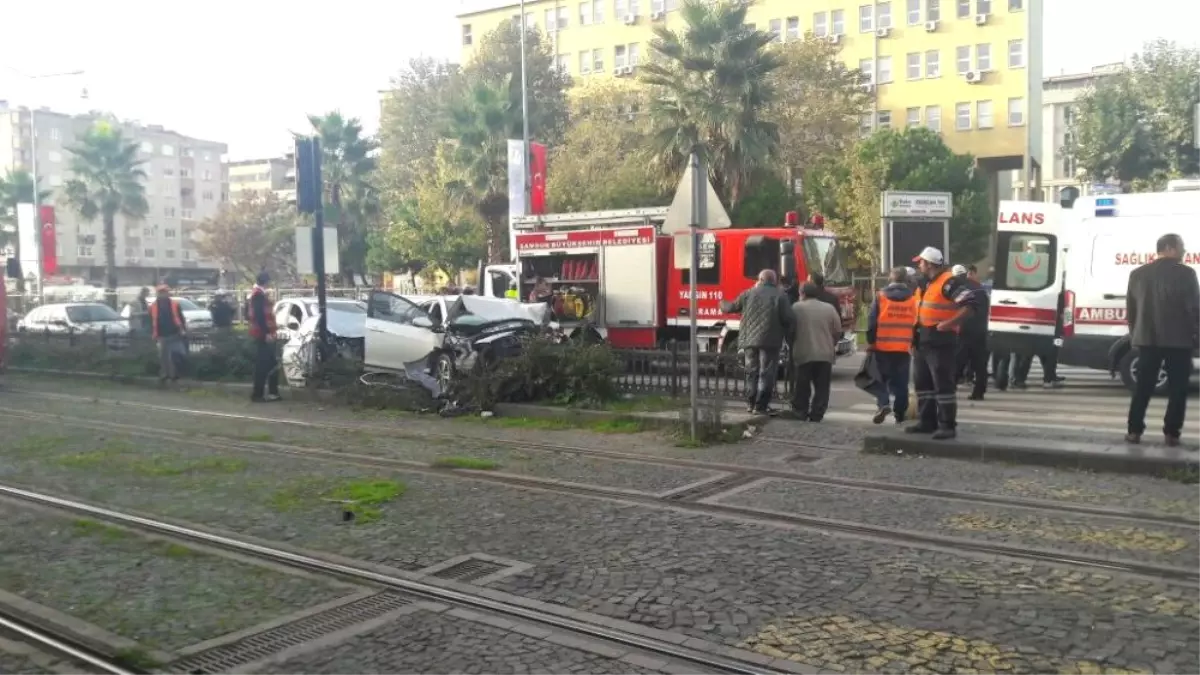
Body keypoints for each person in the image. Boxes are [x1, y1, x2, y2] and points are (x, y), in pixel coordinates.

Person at [1124, 233, 1200, 446]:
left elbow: (1131, 310)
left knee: (1143, 387)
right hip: (1179, 340)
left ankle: (1134, 430)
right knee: (1178, 389)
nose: (1184, 251)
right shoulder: (1186, 274)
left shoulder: (1137, 274)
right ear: (1169, 248)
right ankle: (1171, 433)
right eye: (1181, 247)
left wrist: (1135, 334)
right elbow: (1194, 308)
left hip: (1147, 339)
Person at [909, 247, 983, 440]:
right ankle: (927, 422)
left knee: (943, 385)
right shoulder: (925, 283)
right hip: (922, 339)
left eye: (921, 262)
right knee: (923, 384)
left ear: (930, 264)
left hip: (940, 340)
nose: (918, 265)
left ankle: (947, 425)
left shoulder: (948, 282)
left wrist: (950, 323)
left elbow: (970, 304)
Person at [720, 269, 793, 415]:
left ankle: (750, 403)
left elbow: (731, 307)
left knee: (751, 372)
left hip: (749, 341)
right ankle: (760, 406)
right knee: (766, 373)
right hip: (770, 342)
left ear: (759, 280)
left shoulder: (748, 294)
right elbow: (787, 319)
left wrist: (721, 303)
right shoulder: (781, 295)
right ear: (774, 281)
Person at [865, 267, 916, 424]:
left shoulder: (881, 296)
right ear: (906, 280)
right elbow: (917, 322)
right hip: (903, 347)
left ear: (890, 279)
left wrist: (871, 341)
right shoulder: (913, 298)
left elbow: (872, 321)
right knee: (901, 383)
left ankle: (883, 403)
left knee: (879, 379)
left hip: (883, 346)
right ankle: (900, 414)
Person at [789, 283, 842, 421]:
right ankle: (817, 413)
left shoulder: (796, 307)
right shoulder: (829, 308)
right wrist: (832, 342)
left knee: (802, 385)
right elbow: (838, 331)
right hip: (825, 353)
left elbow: (790, 329)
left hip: (803, 352)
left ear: (803, 294)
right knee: (822, 387)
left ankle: (801, 411)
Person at [957, 264, 990, 400]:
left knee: (957, 361)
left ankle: (948, 389)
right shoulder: (981, 290)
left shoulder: (959, 289)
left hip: (964, 329)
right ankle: (979, 391)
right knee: (980, 363)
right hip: (980, 329)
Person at [247, 272, 281, 403]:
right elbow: (260, 316)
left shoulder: (257, 294)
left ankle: (272, 392)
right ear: (266, 282)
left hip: (264, 334)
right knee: (263, 365)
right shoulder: (258, 295)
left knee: (271, 364)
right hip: (263, 335)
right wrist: (266, 333)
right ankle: (258, 394)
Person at [148, 284, 187, 383]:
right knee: (164, 356)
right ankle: (166, 375)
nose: (163, 294)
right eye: (161, 292)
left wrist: (183, 330)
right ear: (158, 293)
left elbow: (181, 318)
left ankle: (174, 374)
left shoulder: (175, 304)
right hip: (161, 335)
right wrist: (152, 334)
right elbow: (151, 321)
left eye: (164, 292)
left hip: (175, 333)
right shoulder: (153, 306)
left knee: (176, 354)